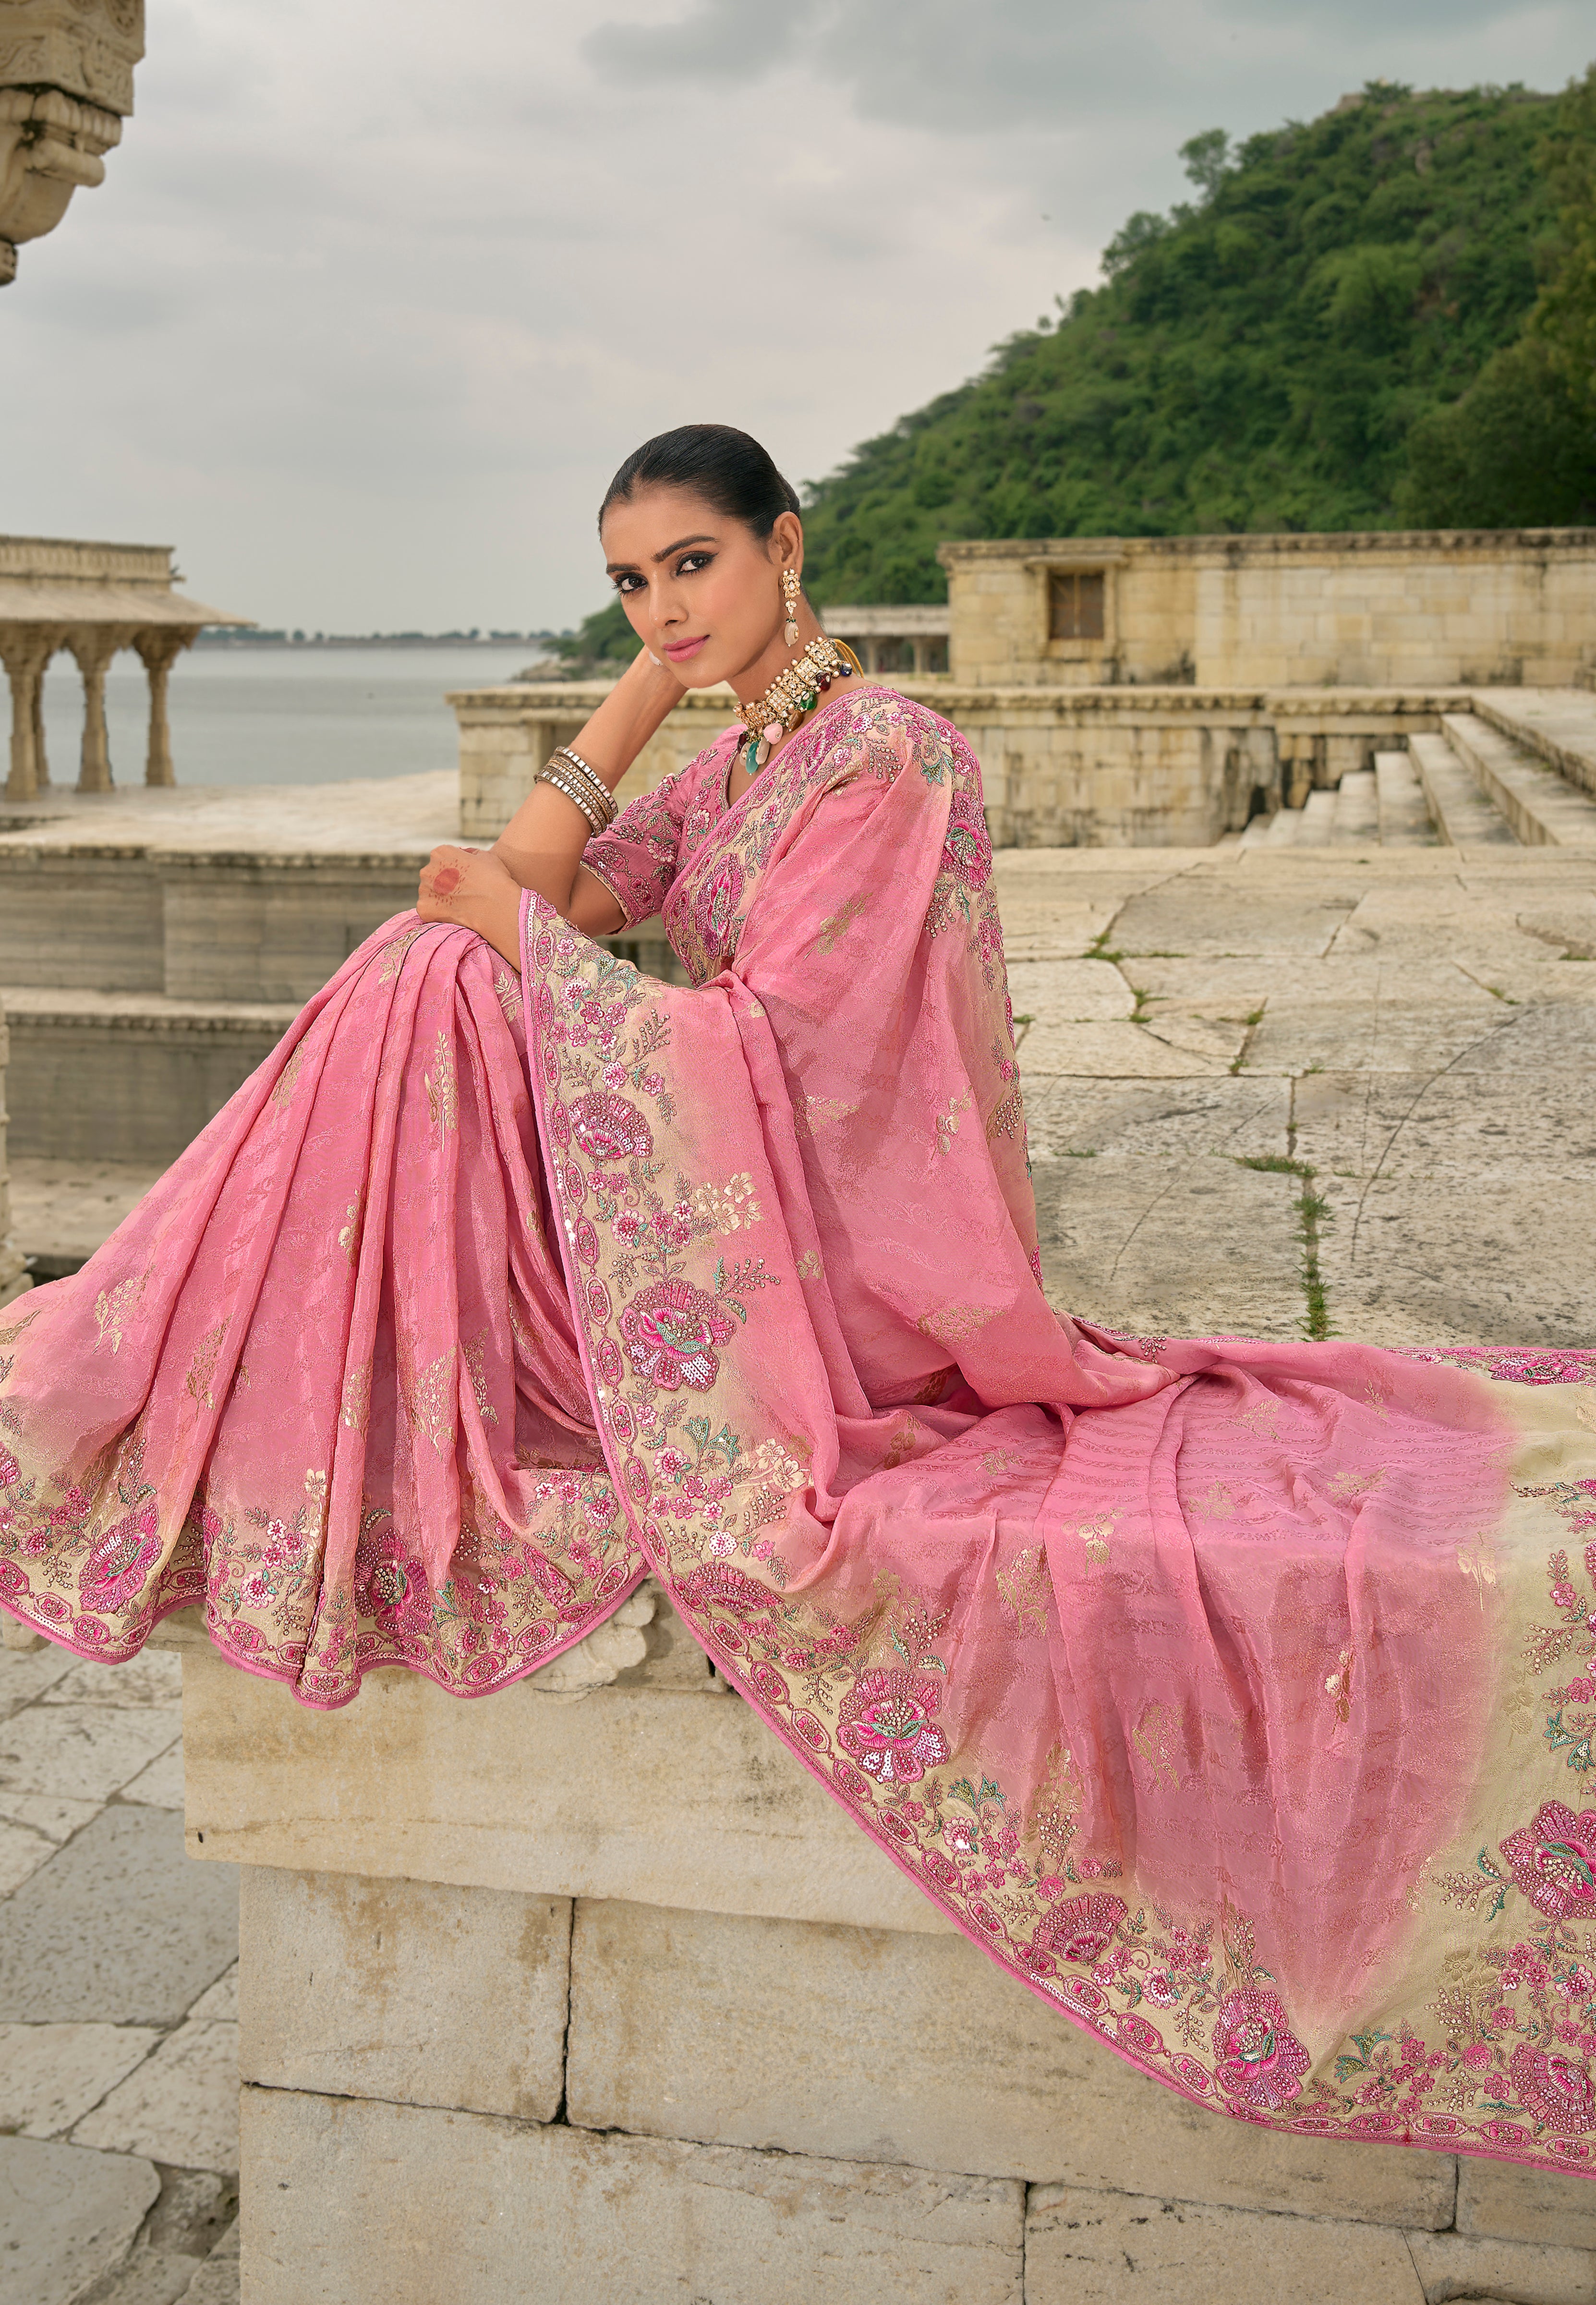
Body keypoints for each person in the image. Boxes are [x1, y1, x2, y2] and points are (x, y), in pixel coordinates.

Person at [3, 424, 1594, 2173]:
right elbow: (533, 889)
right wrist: (634, 702)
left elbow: (809, 1059)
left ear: (786, 543)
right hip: (727, 1195)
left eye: (694, 563)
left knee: (430, 968)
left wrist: (524, 948)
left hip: (837, 1251)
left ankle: (132, 1342)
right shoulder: (751, 753)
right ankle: (167, 1343)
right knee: (422, 961)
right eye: (629, 581)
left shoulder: (883, 757)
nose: (666, 604)